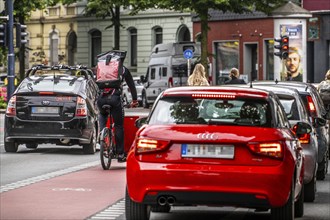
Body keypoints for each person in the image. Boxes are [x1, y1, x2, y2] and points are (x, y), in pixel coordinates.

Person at [97, 66, 138, 162]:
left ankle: (102, 134)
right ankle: (120, 154)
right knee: (119, 126)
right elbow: (131, 84)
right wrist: (134, 100)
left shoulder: (102, 68)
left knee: (102, 115)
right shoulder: (122, 69)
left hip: (101, 99)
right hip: (115, 99)